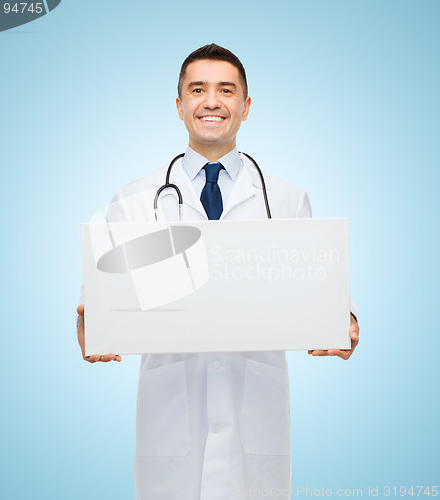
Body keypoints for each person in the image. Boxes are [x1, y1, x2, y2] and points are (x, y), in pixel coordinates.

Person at [77, 43, 359, 500]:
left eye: (226, 90)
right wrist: (90, 323)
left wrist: (344, 320)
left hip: (256, 420)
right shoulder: (133, 199)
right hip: (171, 418)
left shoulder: (286, 199)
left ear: (245, 107)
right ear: (180, 105)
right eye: (197, 89)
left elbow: (322, 284)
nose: (212, 101)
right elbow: (101, 296)